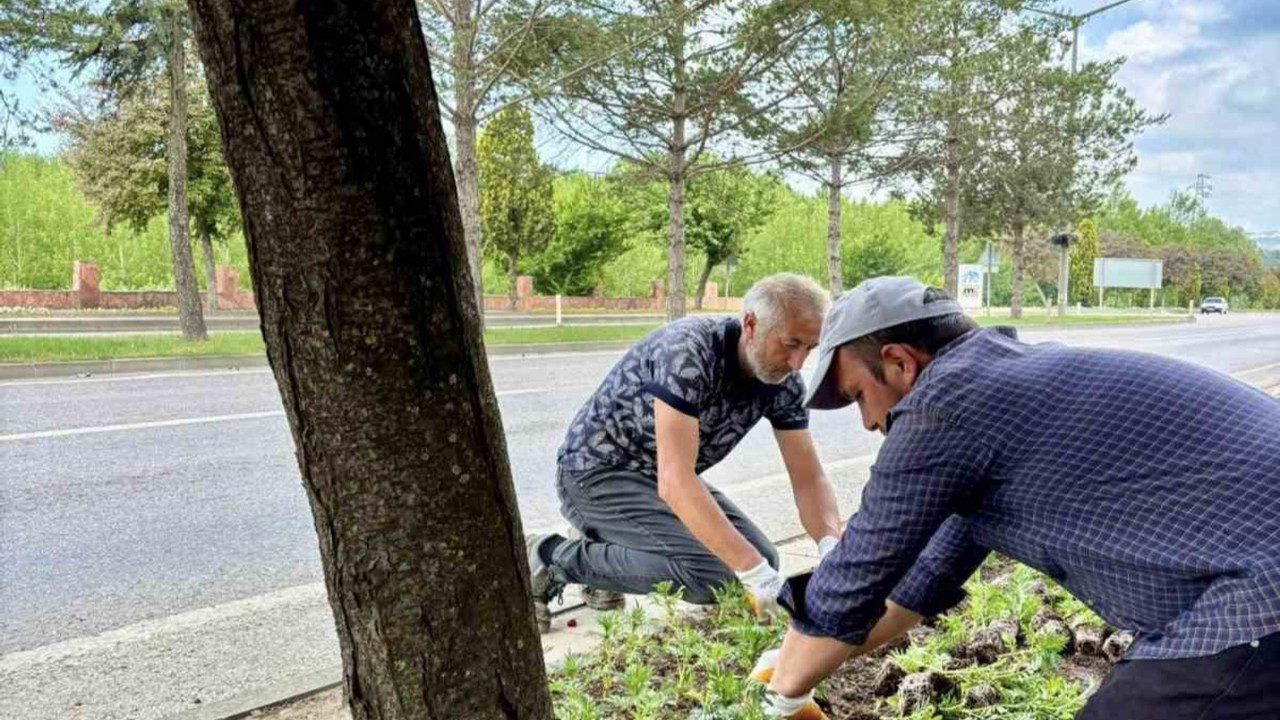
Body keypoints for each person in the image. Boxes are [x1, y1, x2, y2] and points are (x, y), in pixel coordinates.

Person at [757, 276, 1280, 719]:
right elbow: (910, 588)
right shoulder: (996, 402)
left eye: (858, 397)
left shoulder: (945, 404)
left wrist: (782, 694)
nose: (870, 422)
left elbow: (857, 571)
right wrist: (791, 659)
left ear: (898, 363)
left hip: (1258, 595)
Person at [526, 273, 843, 632]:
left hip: (655, 478)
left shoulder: (783, 383)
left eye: (810, 348)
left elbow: (808, 477)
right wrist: (750, 571)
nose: (798, 362)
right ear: (751, 324)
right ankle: (549, 557)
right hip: (594, 473)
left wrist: (830, 545)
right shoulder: (690, 352)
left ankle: (604, 549)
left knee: (765, 559)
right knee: (720, 575)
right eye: (791, 344)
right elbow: (676, 482)